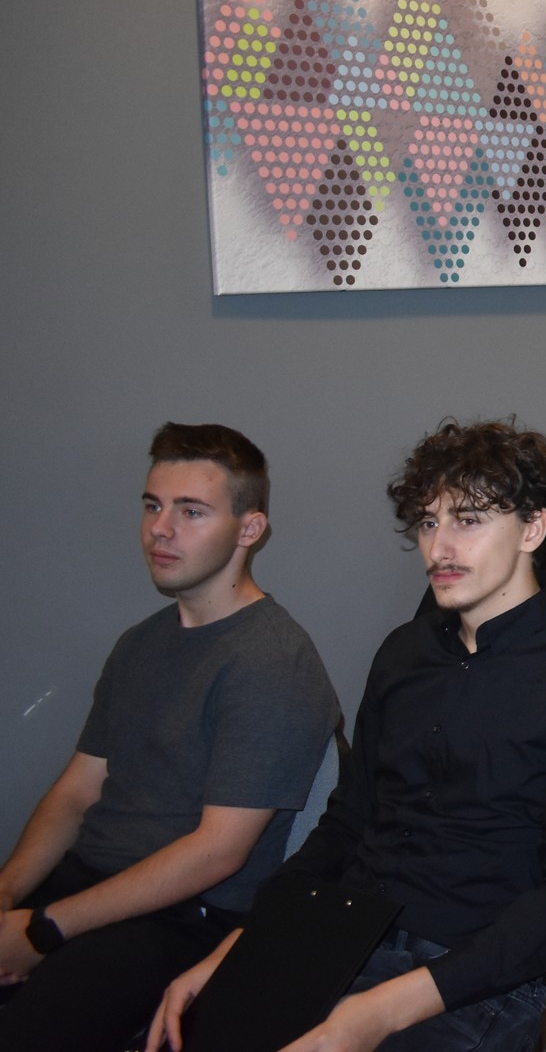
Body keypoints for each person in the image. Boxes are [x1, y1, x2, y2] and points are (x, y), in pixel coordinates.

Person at [147, 419, 546, 1052]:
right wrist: (242, 945)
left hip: (474, 973)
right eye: (429, 523)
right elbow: (346, 825)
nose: (440, 547)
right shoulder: (405, 652)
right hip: (344, 935)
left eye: (468, 520)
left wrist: (379, 1012)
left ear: (532, 529)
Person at [0, 425, 337, 1052]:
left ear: (249, 529)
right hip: (84, 889)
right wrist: (8, 892)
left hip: (180, 921)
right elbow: (76, 793)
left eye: (191, 511)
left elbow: (217, 853)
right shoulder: (141, 643)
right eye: (153, 505)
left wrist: (44, 931)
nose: (160, 528)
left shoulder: (271, 662)